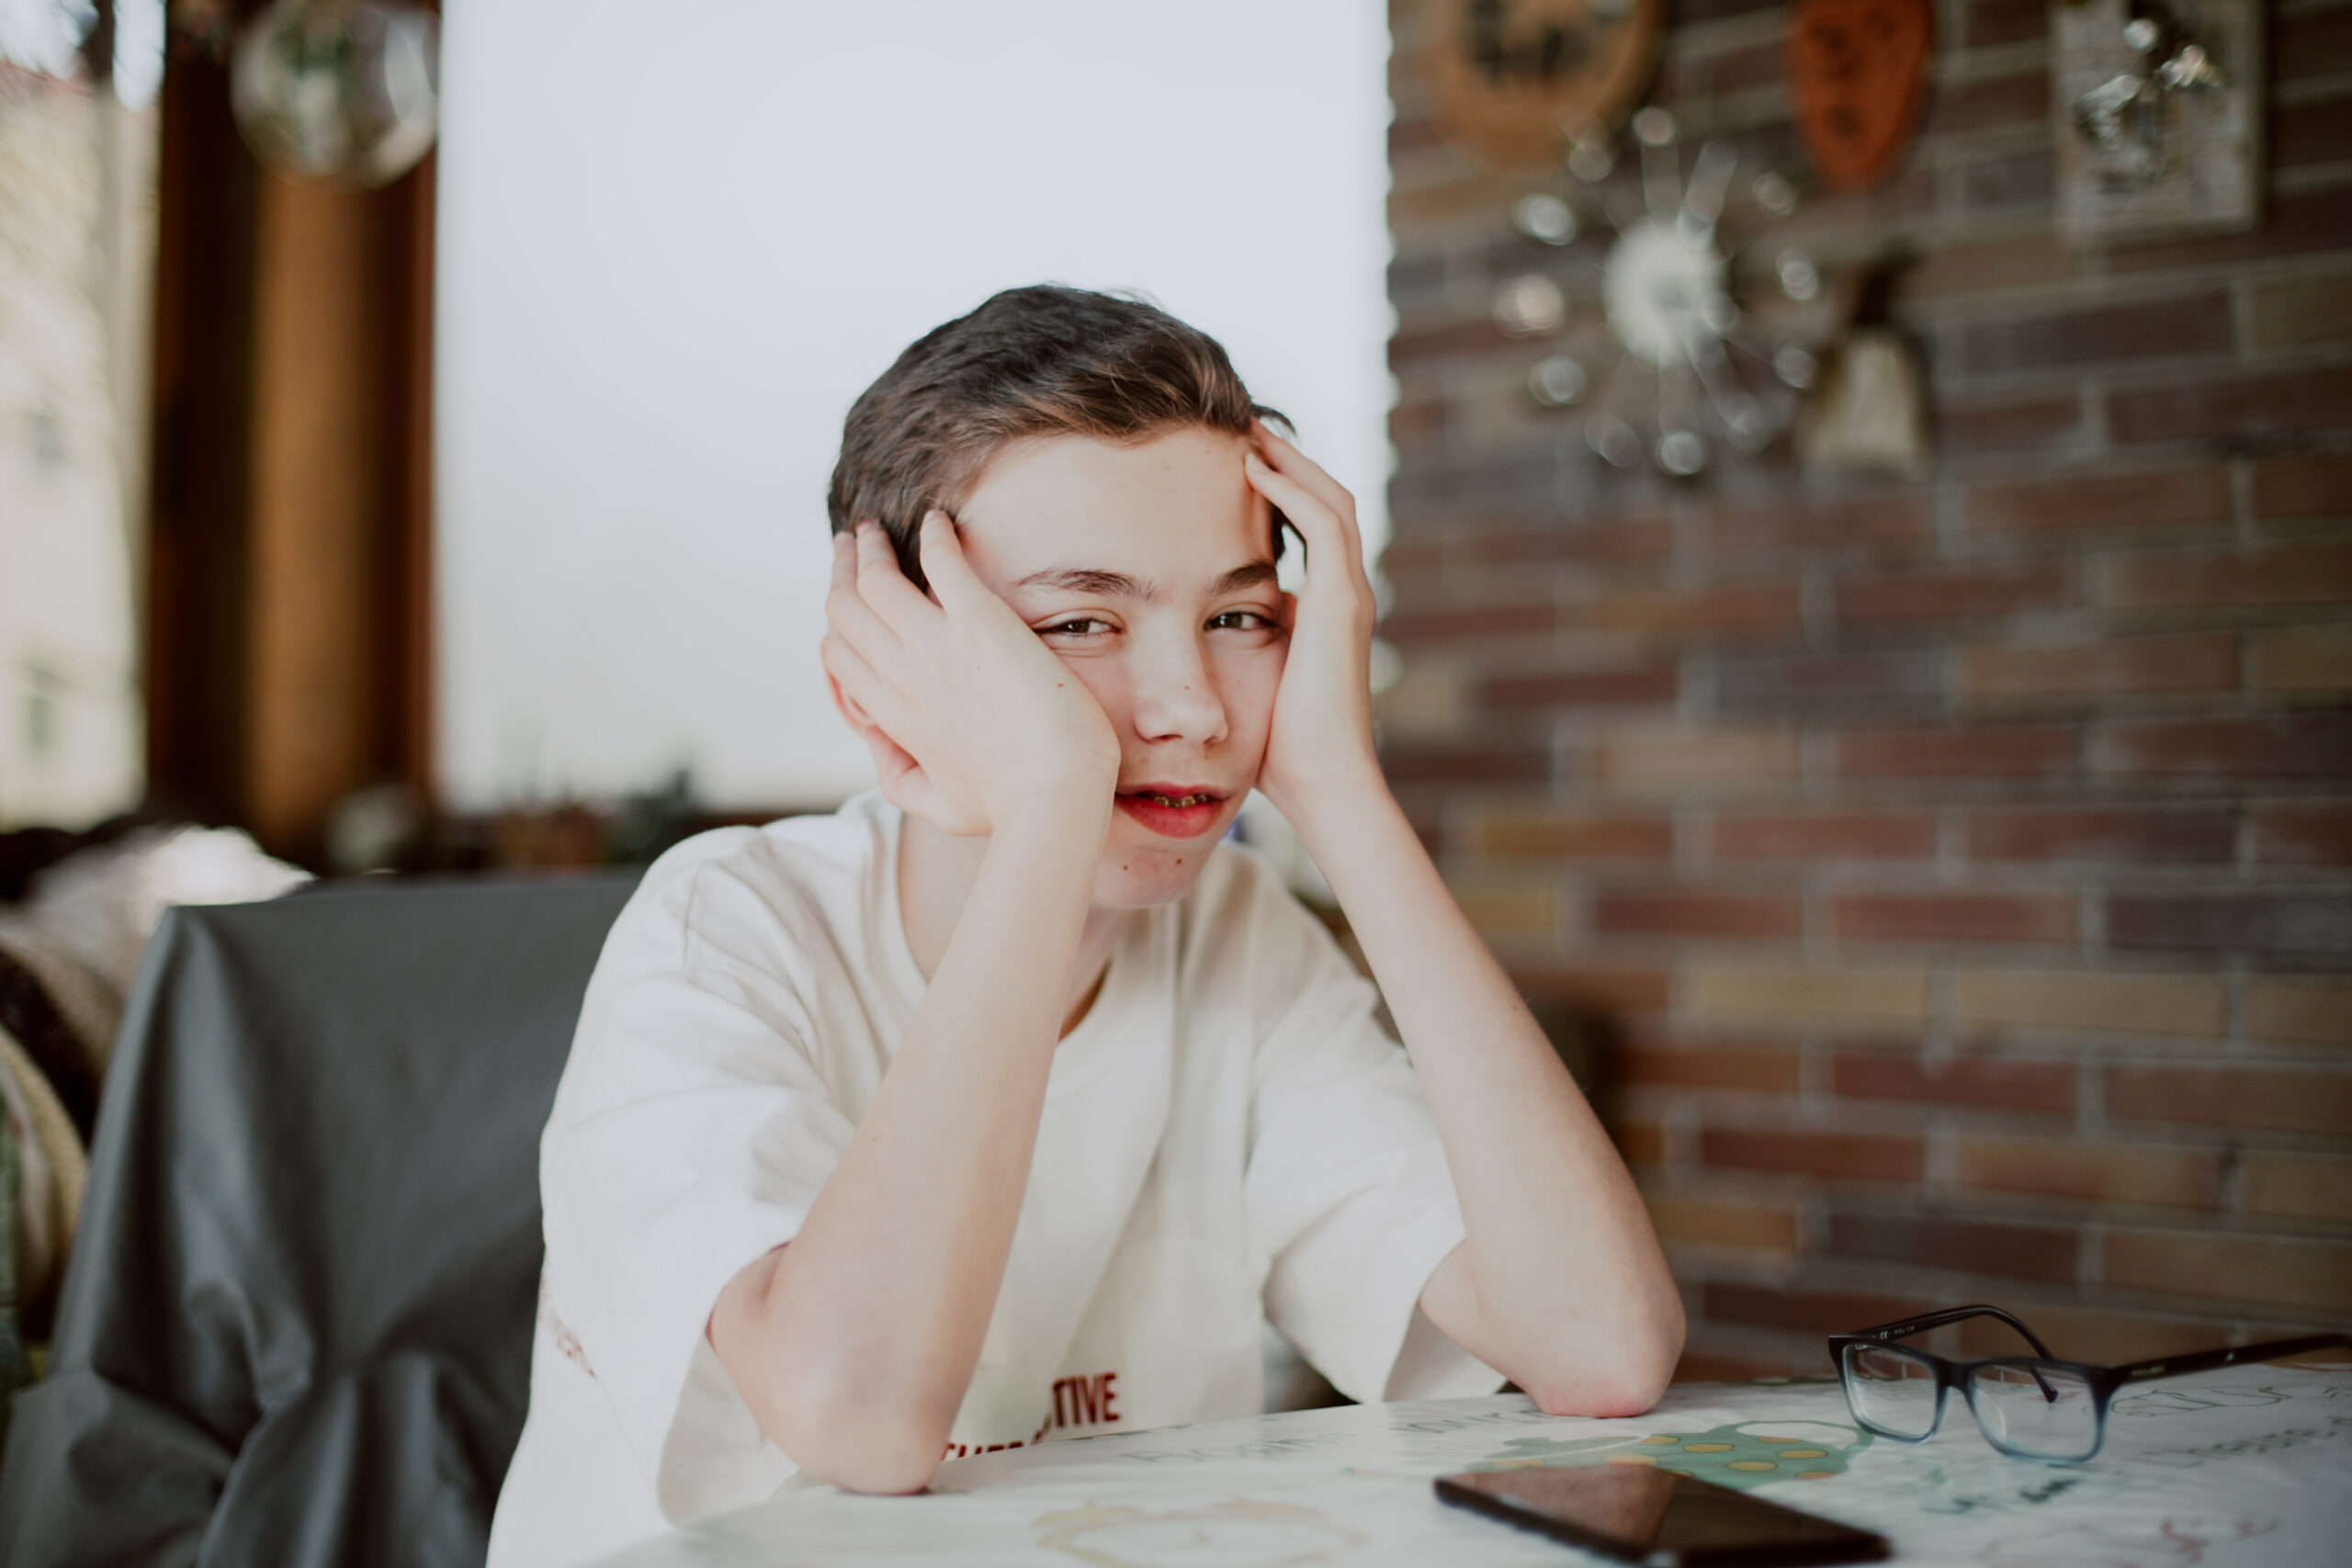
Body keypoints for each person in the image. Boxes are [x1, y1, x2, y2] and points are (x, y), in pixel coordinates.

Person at [485, 286, 1682, 1567]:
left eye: (1238, 619)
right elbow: (860, 1417)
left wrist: (1340, 790)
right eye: (1078, 625)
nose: (1191, 709)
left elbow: (1598, 1352)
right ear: (887, 676)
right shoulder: (722, 929)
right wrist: (1050, 807)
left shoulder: (1239, 940)